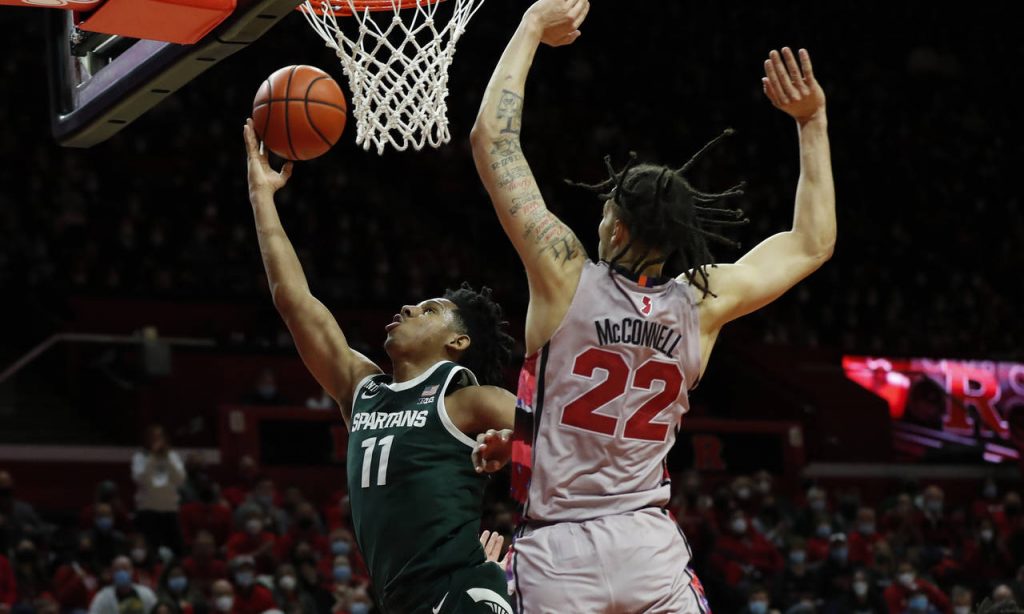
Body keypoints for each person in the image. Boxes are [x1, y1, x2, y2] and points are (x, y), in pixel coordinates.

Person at [470, 0, 834, 610]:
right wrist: (812, 121)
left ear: (616, 228)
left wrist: (531, 24)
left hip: (557, 552)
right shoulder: (703, 301)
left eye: (605, 212)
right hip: (647, 546)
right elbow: (812, 242)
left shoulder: (564, 276)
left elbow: (494, 141)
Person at [242, 119, 518, 613]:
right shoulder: (362, 390)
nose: (409, 308)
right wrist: (262, 196)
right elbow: (294, 301)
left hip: (459, 593)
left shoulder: (467, 400)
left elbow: (566, 440)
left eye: (430, 310)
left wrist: (516, 443)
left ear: (458, 341)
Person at [131, 425, 186, 556]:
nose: (156, 440)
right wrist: (152, 457)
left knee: (178, 551)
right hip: (148, 510)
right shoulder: (140, 457)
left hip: (169, 510)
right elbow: (142, 479)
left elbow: (180, 479)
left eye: (159, 437)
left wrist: (167, 459)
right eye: (153, 437)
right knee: (150, 552)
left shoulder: (172, 456)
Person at [88, 556, 158, 614]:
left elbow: (157, 610)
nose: (121, 572)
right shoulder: (103, 596)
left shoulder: (146, 593)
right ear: (112, 572)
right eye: (117, 569)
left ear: (132, 571)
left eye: (125, 568)